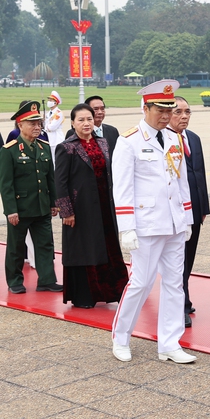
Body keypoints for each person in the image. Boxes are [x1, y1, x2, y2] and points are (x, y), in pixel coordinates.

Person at [110, 80, 197, 364]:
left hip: (173, 222)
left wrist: (187, 218)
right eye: (160, 110)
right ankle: (121, 337)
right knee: (141, 283)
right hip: (145, 224)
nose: (166, 116)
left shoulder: (173, 138)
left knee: (175, 283)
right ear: (145, 108)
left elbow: (181, 181)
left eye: (169, 110)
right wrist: (126, 228)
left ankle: (169, 343)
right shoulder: (129, 141)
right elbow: (122, 188)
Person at [55, 104, 128, 309]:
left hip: (104, 206)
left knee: (107, 247)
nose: (86, 123)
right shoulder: (66, 147)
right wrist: (66, 211)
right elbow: (60, 182)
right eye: (81, 120)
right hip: (81, 208)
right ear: (72, 123)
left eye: (89, 119)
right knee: (83, 250)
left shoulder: (103, 142)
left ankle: (112, 290)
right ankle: (84, 296)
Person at [0, 101, 62, 294]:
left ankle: (46, 280)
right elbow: (6, 184)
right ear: (20, 125)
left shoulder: (43, 147)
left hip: (42, 206)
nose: (37, 127)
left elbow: (50, 178)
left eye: (39, 123)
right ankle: (15, 281)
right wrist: (10, 210)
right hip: (21, 207)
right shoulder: (9, 150)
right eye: (32, 124)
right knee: (16, 247)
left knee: (45, 245)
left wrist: (53, 203)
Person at [168, 96, 210, 328]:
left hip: (193, 209)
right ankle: (179, 305)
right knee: (176, 260)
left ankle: (183, 296)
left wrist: (202, 206)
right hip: (174, 211)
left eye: (187, 112)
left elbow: (199, 174)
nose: (184, 116)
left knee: (188, 257)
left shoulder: (192, 138)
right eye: (178, 112)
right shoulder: (163, 139)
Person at [45, 90, 65, 162]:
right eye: (49, 100)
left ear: (55, 102)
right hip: (49, 138)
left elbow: (51, 127)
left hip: (56, 138)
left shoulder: (58, 113)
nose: (49, 101)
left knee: (56, 160)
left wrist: (46, 126)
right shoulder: (49, 113)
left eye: (51, 100)